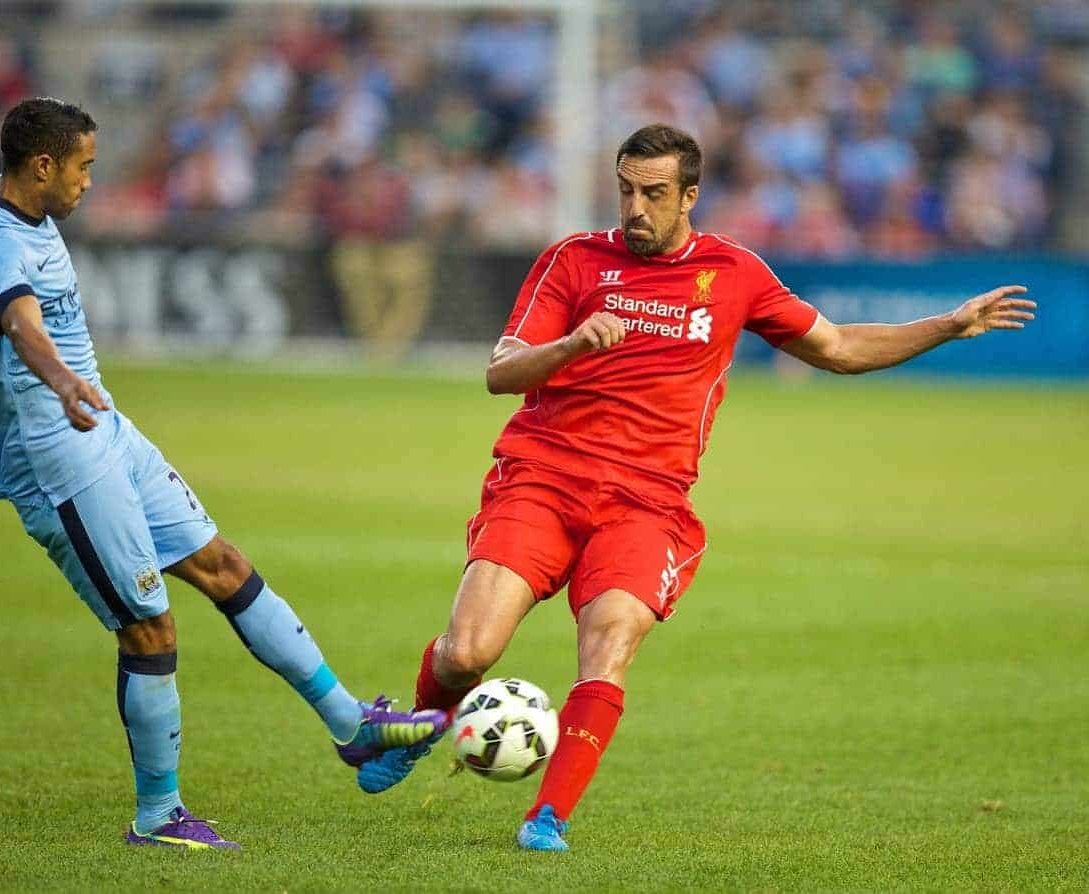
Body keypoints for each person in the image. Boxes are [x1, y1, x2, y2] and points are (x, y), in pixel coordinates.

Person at [358, 123, 1036, 852]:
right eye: (625, 191)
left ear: (690, 195)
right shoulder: (574, 259)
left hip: (647, 504)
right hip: (543, 479)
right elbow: (501, 371)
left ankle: (546, 818)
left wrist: (946, 325)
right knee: (468, 653)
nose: (635, 209)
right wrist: (572, 343)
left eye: (653, 194)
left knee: (610, 640)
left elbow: (836, 347)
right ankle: (421, 723)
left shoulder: (735, 273)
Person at [0, 97, 448, 851]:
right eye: (82, 169)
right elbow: (20, 321)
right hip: (60, 460)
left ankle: (354, 729)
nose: (87, 183)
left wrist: (70, 385)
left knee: (224, 565)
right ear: (42, 166)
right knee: (149, 628)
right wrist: (60, 381)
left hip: (108, 431)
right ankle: (158, 817)